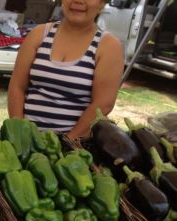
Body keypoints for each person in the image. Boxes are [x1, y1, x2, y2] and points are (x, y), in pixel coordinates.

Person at [7, 0, 124, 139]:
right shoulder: (39, 34)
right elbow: (16, 87)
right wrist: (20, 133)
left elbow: (103, 104)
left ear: (102, 4)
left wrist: (68, 143)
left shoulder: (108, 46)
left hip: (74, 148)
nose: (78, 1)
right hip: (27, 143)